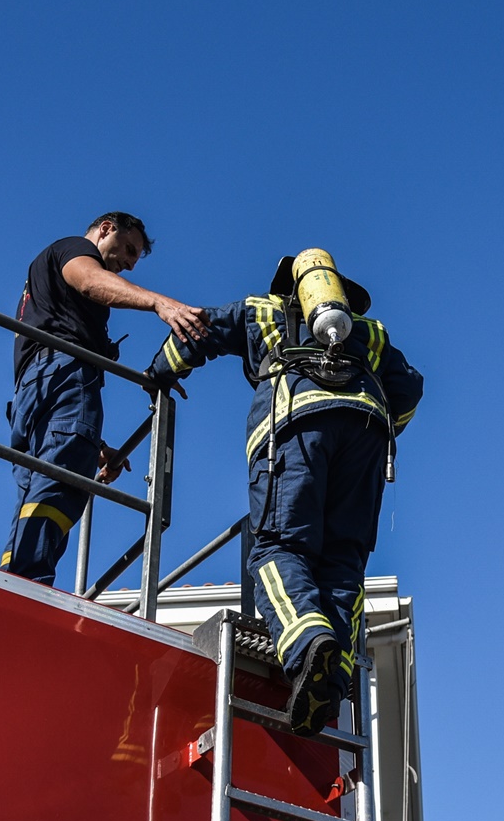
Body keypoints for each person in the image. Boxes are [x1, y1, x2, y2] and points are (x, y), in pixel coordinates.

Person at [144, 252, 423, 734]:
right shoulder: (369, 332)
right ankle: (330, 684)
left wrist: (157, 375)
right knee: (343, 560)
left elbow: (198, 330)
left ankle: (306, 642)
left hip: (293, 431)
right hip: (367, 436)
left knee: (276, 546)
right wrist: (377, 429)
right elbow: (411, 389)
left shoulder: (263, 310)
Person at [1, 212, 208, 586]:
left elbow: (54, 413)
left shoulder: (45, 291)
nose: (129, 263)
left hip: (32, 395)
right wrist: (160, 303)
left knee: (37, 489)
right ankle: (26, 581)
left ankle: (12, 575)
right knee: (60, 486)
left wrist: (93, 444)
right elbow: (89, 280)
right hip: (64, 373)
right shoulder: (75, 250)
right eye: (129, 250)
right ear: (106, 229)